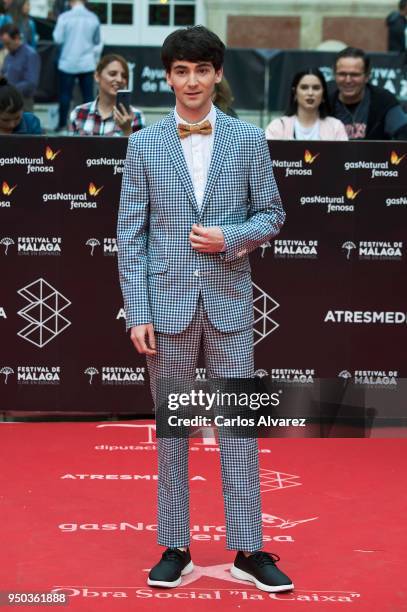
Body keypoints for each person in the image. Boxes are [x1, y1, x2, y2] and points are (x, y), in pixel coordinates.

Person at [117, 25, 293, 594]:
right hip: (164, 308)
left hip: (229, 304)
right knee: (173, 430)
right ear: (168, 77)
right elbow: (131, 234)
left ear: (218, 74)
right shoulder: (143, 142)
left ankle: (249, 548)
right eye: (180, 71)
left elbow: (272, 214)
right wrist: (137, 309)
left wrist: (230, 238)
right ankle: (176, 545)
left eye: (201, 70)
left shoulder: (248, 140)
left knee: (239, 428)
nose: (191, 82)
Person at [329, 46, 407, 140]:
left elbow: (404, 133)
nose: (348, 80)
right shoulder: (326, 104)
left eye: (355, 74)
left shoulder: (384, 101)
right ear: (334, 75)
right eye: (342, 74)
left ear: (367, 76)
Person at [53, 0, 101, 130]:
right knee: (88, 97)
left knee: (64, 96)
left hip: (67, 61)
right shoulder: (93, 18)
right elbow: (97, 41)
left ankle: (62, 124)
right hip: (86, 62)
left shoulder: (64, 17)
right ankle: (90, 125)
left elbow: (58, 39)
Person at [69, 54, 145, 137]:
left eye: (124, 76)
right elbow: (71, 148)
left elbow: (138, 150)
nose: (119, 80)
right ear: (97, 76)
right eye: (112, 74)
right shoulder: (78, 113)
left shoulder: (136, 116)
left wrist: (127, 130)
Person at [265, 68, 348, 140]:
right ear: (295, 93)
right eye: (304, 87)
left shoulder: (336, 127)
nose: (310, 93)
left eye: (316, 88)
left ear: (323, 93)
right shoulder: (278, 126)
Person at [0, 23, 40, 111]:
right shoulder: (9, 55)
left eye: (8, 43)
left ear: (17, 38)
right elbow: (4, 74)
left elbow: (31, 83)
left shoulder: (30, 55)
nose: (6, 47)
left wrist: (9, 90)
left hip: (24, 103)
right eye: (4, 44)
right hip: (7, 101)